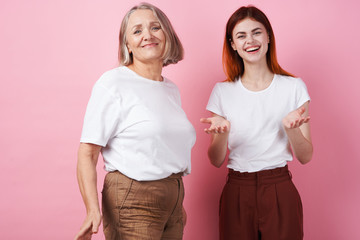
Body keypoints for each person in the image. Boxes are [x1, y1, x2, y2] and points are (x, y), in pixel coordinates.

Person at [74, 3, 196, 240]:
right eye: (137, 31)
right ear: (127, 44)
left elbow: (162, 148)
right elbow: (87, 152)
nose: (148, 36)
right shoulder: (113, 83)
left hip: (172, 200)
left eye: (155, 27)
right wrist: (91, 209)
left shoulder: (171, 89)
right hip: (133, 199)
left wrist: (174, 202)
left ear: (167, 35)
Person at [200, 5, 313, 240]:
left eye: (256, 32)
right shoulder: (222, 91)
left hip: (279, 187)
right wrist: (221, 134)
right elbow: (215, 160)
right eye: (241, 35)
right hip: (237, 190)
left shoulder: (293, 87)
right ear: (232, 44)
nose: (250, 40)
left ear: (268, 36)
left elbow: (305, 156)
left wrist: (292, 131)